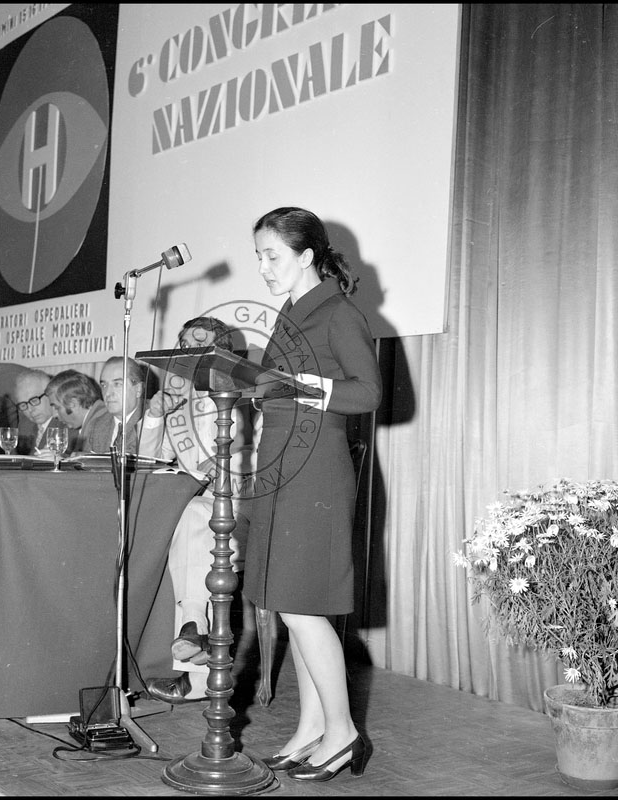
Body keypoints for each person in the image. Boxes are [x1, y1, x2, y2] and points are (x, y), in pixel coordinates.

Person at [243, 207, 381, 781]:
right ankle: (310, 728)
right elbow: (277, 385)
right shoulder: (290, 314)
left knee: (302, 607)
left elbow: (368, 392)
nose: (263, 268)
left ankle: (343, 733)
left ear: (306, 256)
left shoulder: (338, 312)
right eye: (259, 257)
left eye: (271, 256)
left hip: (316, 473)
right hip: (281, 469)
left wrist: (305, 387)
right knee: (291, 602)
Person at [140, 317, 256, 704]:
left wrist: (221, 464)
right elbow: (151, 460)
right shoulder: (179, 400)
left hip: (241, 507)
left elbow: (254, 452)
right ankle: (194, 649)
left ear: (220, 354)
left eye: (201, 345)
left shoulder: (243, 393)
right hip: (196, 512)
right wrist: (155, 414)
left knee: (192, 518)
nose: (191, 353)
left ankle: (193, 638)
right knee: (186, 519)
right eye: (186, 345)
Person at [11, 369, 78, 455]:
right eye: (23, 405)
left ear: (49, 394)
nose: (30, 410)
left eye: (34, 400)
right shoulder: (25, 425)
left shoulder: (68, 423)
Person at [45, 369, 112, 454]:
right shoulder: (94, 418)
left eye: (57, 408)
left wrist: (60, 459)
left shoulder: (100, 424)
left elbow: (97, 461)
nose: (54, 415)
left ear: (73, 403)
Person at [97, 356, 151, 453]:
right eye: (104, 385)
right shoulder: (97, 426)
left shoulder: (153, 423)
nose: (107, 393)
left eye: (117, 384)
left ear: (138, 389)